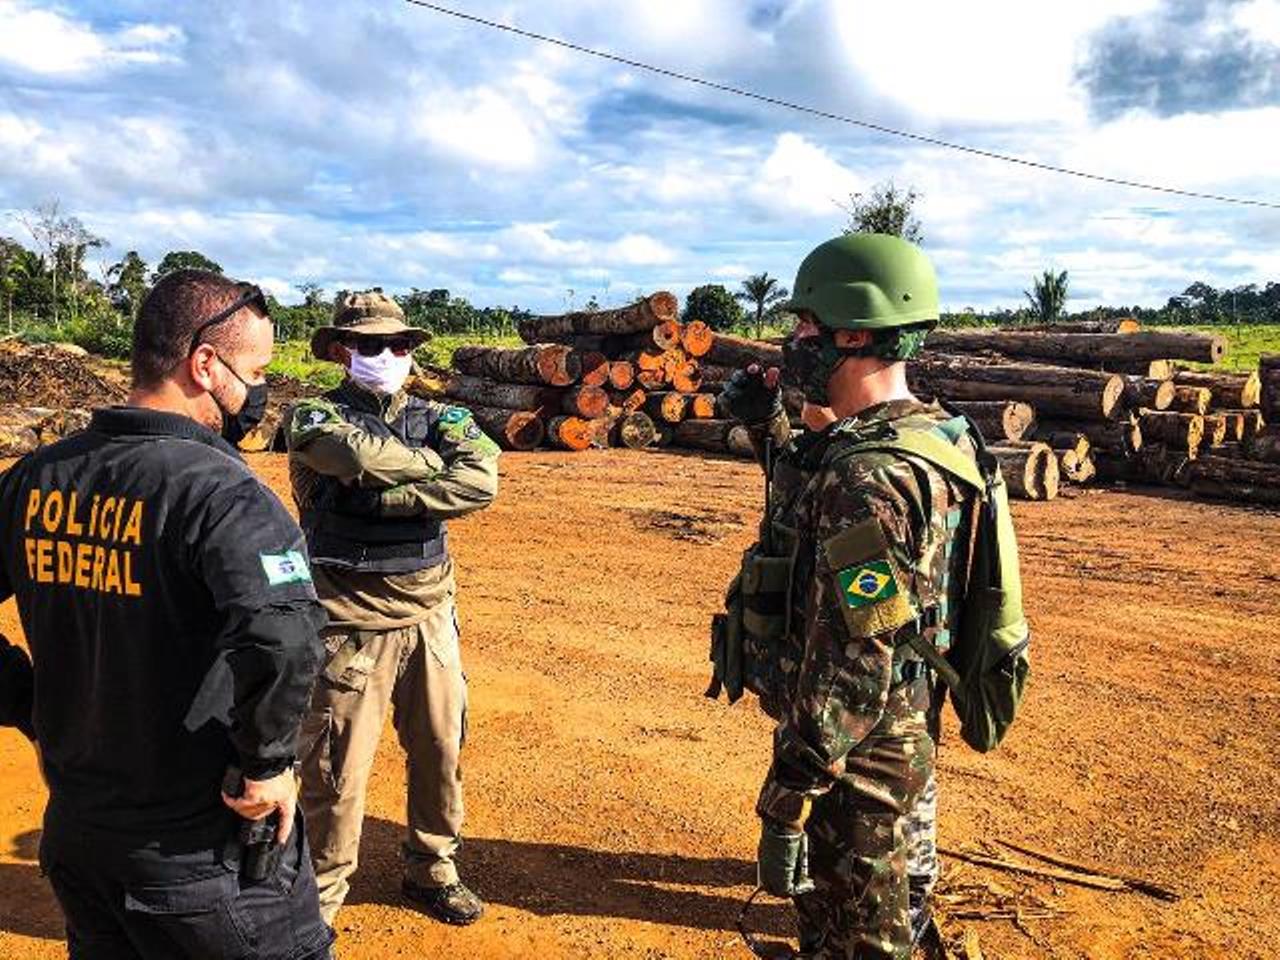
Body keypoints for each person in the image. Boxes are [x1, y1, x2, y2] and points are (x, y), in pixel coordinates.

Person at [0, 268, 334, 958]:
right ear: (206, 365)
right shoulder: (222, 494)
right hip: (201, 860)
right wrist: (269, 762)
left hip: (79, 840)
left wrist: (35, 704)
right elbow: (285, 630)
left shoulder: (35, 479)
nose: (261, 391)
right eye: (257, 370)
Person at [719, 234, 979, 958]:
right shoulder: (928, 434)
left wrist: (791, 788)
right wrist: (768, 427)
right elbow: (816, 505)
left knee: (858, 940)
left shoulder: (865, 479)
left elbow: (857, 654)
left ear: (855, 332)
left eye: (806, 327)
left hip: (857, 763)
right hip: (905, 726)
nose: (792, 341)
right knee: (902, 913)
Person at [287, 290, 499, 927]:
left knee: (441, 748)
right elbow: (347, 454)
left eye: (398, 345)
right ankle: (319, 897)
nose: (387, 355)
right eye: (372, 345)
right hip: (347, 620)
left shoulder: (443, 417)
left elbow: (482, 480)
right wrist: (429, 475)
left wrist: (386, 498)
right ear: (343, 350)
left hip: (429, 612)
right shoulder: (311, 416)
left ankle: (432, 866)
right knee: (336, 768)